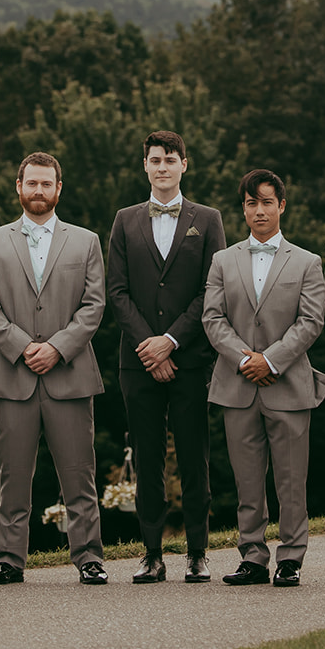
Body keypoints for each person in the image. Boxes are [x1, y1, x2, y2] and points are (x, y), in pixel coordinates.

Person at [0, 152, 108, 585]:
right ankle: (10, 559)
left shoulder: (85, 241)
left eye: (46, 184)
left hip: (68, 373)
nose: (38, 191)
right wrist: (22, 346)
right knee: (12, 474)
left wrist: (57, 347)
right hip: (12, 374)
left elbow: (94, 305)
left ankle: (89, 557)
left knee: (79, 473)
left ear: (58, 189)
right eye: (31, 183)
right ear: (19, 187)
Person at [107, 130, 225, 584]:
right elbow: (116, 291)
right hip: (137, 361)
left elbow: (211, 289)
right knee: (148, 457)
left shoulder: (208, 219)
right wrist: (150, 346)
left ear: (184, 165)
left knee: (195, 456)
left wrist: (171, 341)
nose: (162, 166)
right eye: (154, 159)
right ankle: (151, 553)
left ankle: (198, 551)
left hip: (190, 359)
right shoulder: (124, 219)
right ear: (145, 166)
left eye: (170, 159)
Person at [202, 169, 325, 587]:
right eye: (252, 203)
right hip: (237, 384)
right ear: (243, 209)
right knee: (247, 480)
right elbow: (213, 317)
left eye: (267, 202)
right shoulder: (223, 260)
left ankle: (291, 557)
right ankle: (252, 556)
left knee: (292, 479)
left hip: (288, 385)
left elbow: (311, 322)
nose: (260, 210)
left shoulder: (308, 261)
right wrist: (244, 359)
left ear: (282, 207)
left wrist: (270, 360)